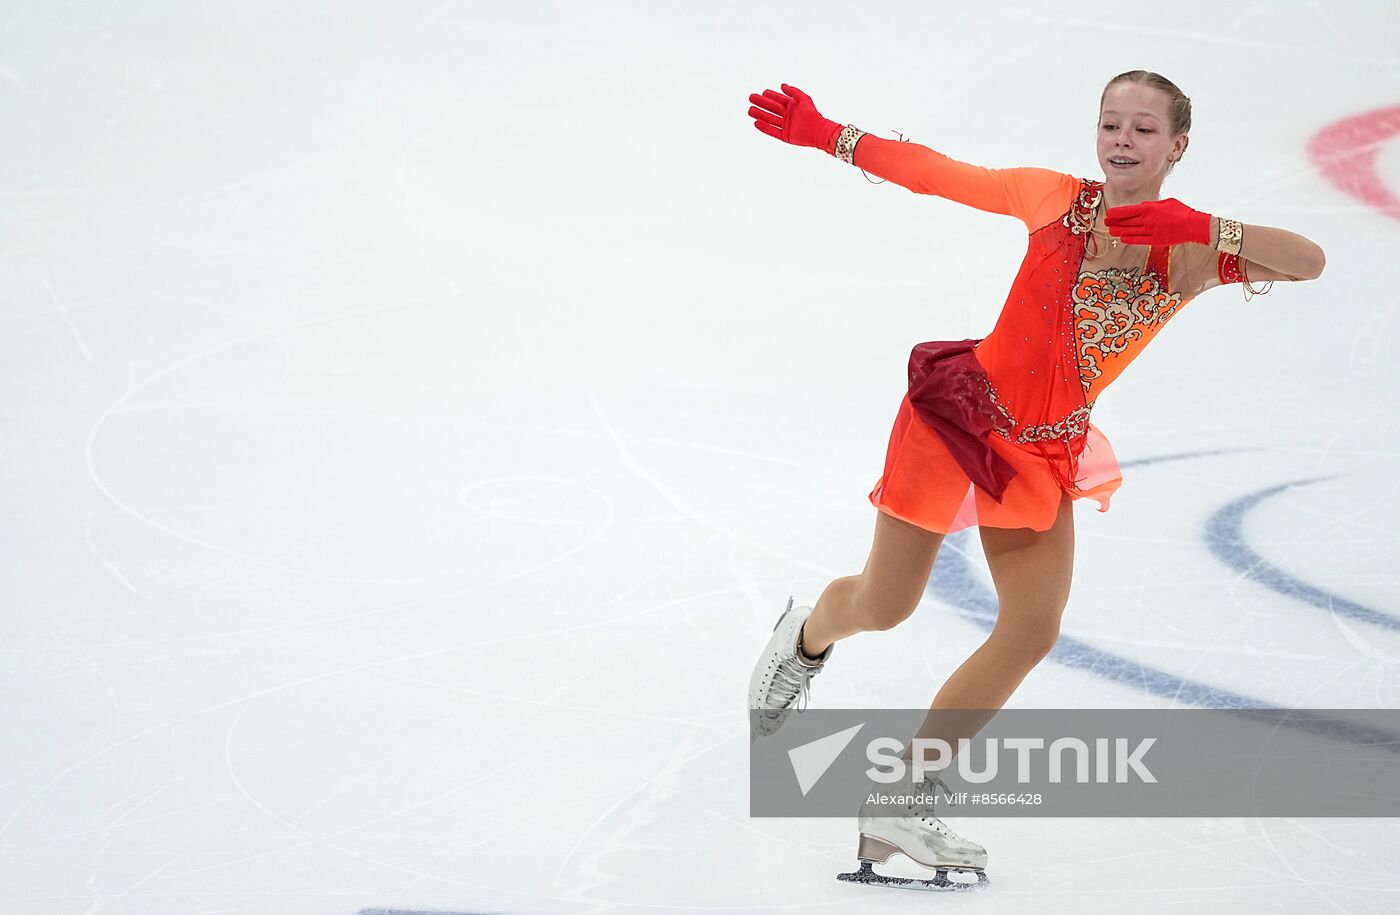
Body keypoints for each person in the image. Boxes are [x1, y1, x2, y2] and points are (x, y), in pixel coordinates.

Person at [745, 71, 1326, 891]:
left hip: (1042, 453)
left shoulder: (1194, 252)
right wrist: (827, 133)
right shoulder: (1058, 200)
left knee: (1031, 628)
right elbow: (938, 173)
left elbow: (1310, 262)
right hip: (957, 418)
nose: (1123, 140)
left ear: (1178, 145)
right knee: (885, 603)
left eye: (1144, 128)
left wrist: (1203, 224)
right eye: (1111, 123)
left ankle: (903, 797)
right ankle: (804, 639)